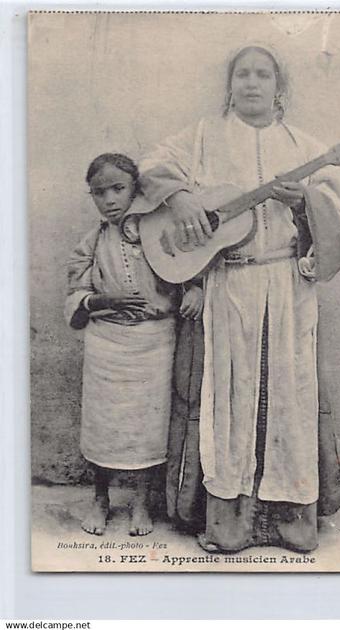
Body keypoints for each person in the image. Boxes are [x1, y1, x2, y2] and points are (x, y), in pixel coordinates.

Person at [121, 44, 340, 552]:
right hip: (228, 285)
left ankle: (291, 521)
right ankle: (229, 525)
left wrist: (307, 202)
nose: (252, 83)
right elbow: (153, 166)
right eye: (242, 74)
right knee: (229, 395)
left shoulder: (305, 144)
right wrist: (180, 199)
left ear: (278, 87)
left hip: (289, 284)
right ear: (230, 85)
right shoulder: (203, 137)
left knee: (289, 395)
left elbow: (336, 211)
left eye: (262, 74)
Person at [64, 153, 199, 536]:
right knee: (104, 424)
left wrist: (194, 289)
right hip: (107, 344)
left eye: (118, 189)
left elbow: (187, 264)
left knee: (148, 426)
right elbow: (76, 292)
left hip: (154, 342)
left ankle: (141, 503)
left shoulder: (160, 231)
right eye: (98, 193)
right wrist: (102, 302)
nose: (109, 200)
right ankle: (101, 499)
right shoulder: (92, 242)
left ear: (136, 189)